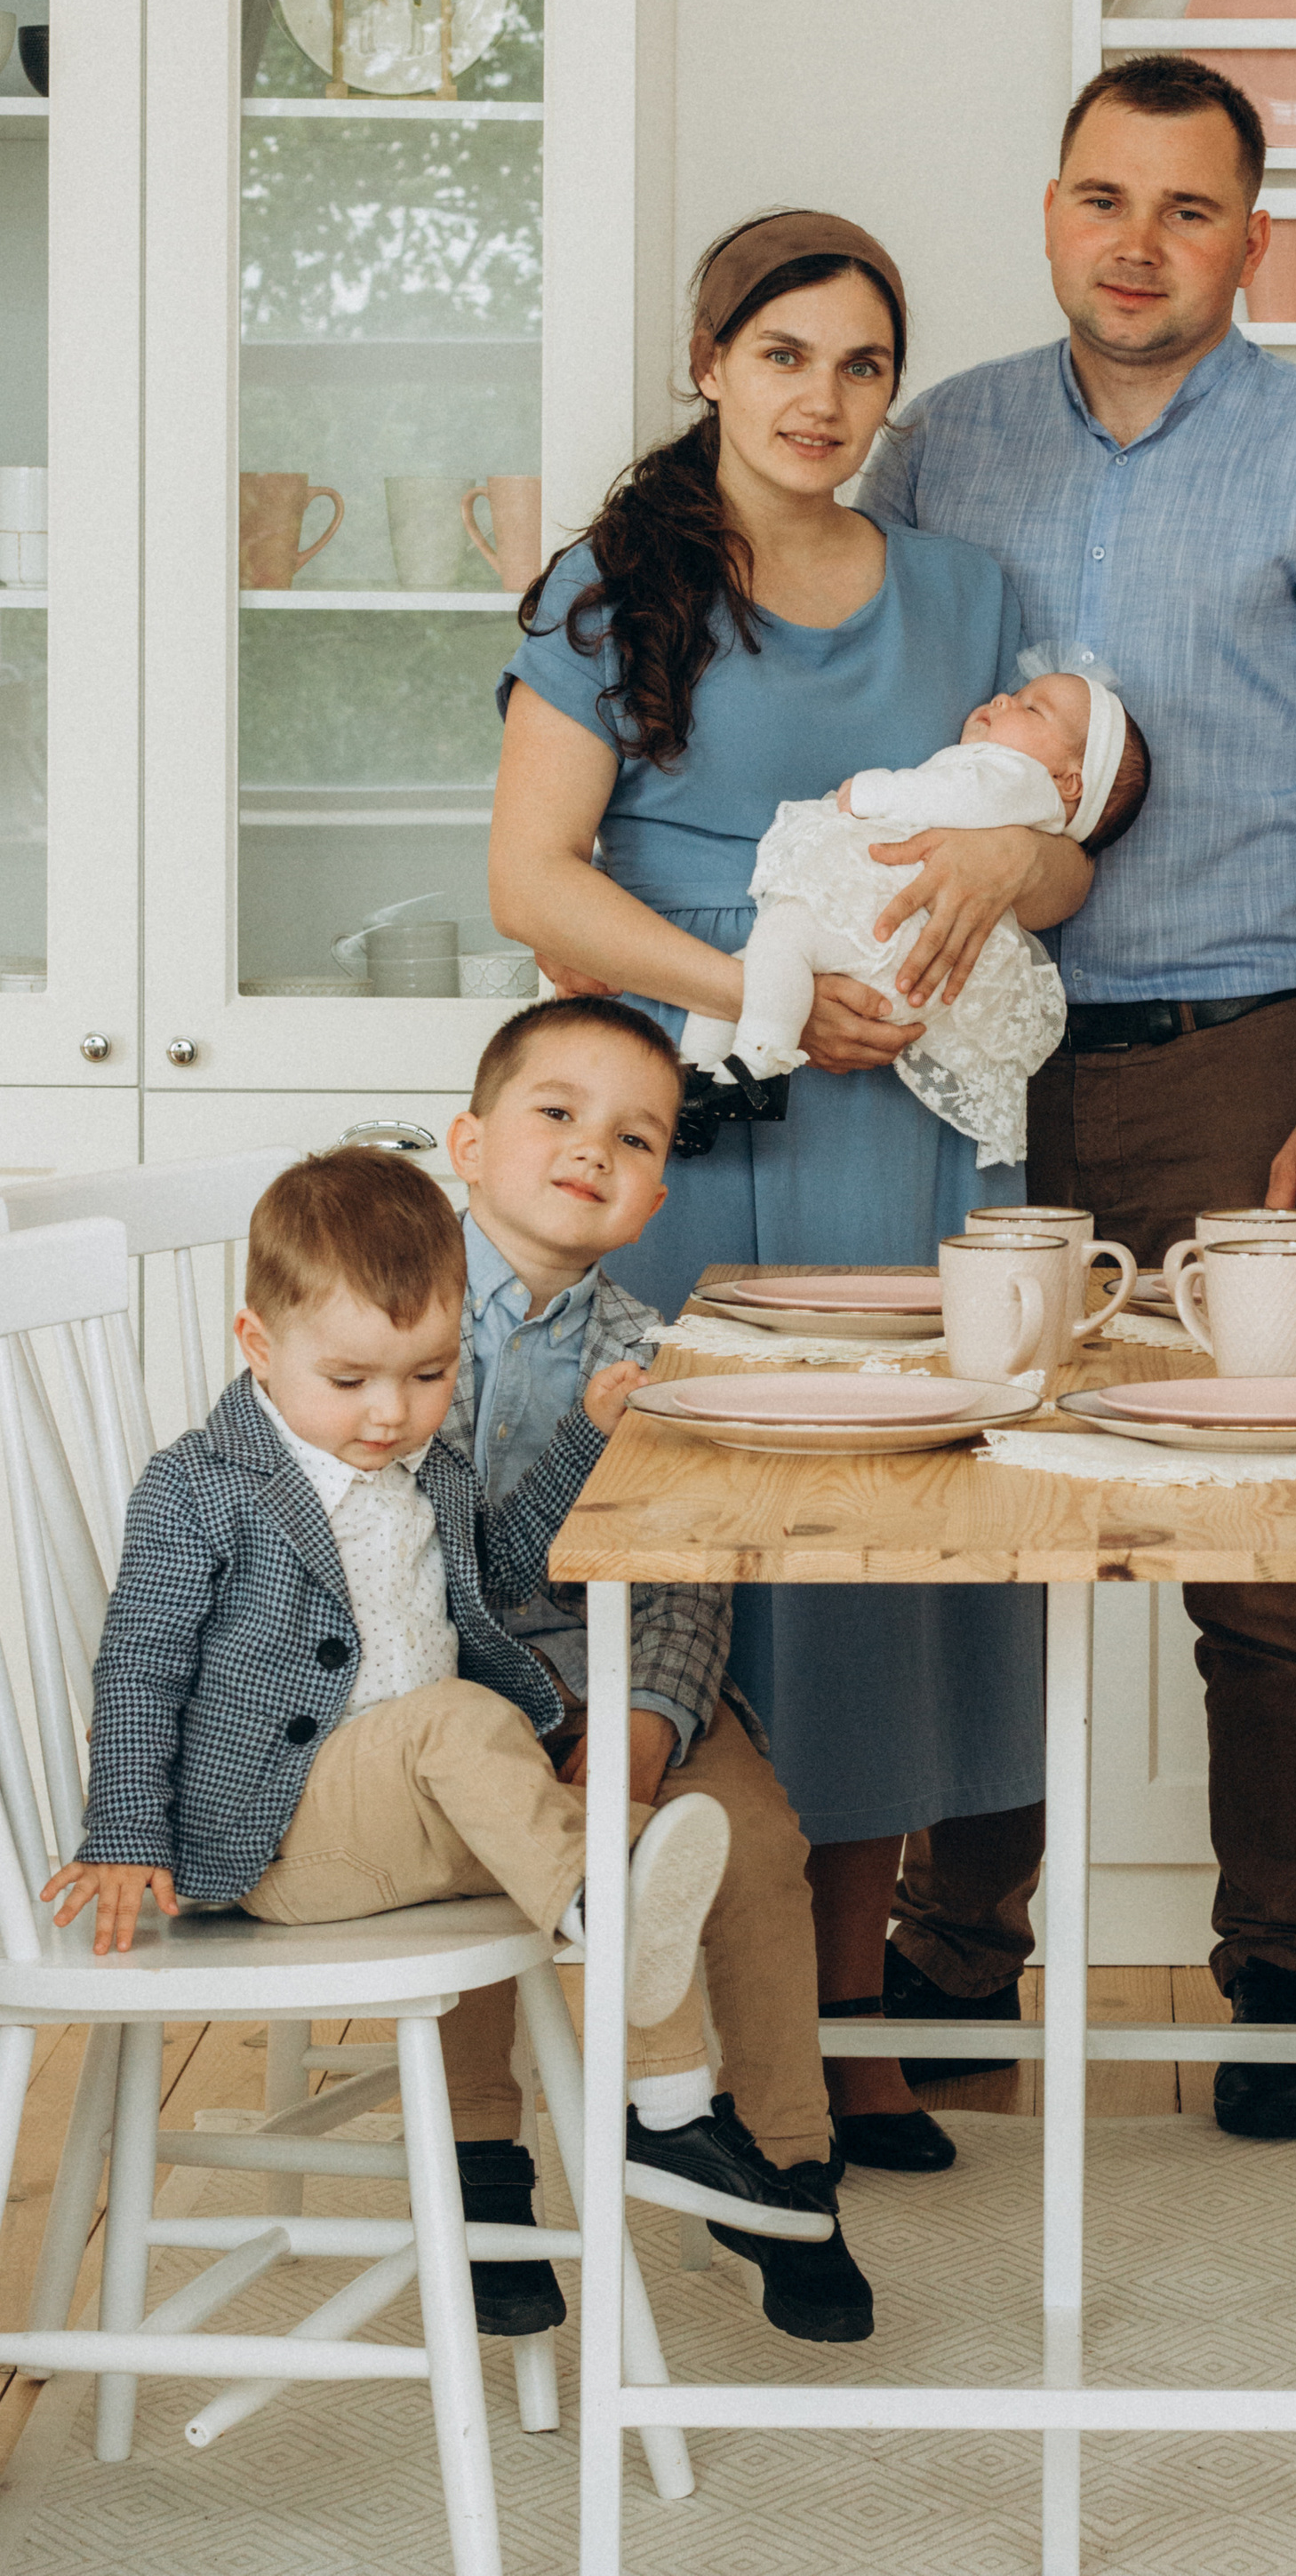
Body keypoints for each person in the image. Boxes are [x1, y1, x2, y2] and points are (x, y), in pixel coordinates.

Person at [862, 53, 1296, 2143]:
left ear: (1250, 238)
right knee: (976, 1529)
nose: (1138, 245)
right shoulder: (937, 447)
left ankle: (1283, 1972)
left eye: (1187, 209)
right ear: (1050, 210)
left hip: (1241, 1063)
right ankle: (953, 1954)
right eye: (1103, 199)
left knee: (1261, 1545)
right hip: (976, 1066)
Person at [488, 209, 1092, 2170]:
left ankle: (846, 2040)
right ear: (708, 362)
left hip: (903, 1135)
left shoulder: (963, 594)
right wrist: (750, 991)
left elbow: (1051, 846)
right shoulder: (613, 587)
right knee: (698, 1569)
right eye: (783, 356)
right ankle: (685, 2039)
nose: (822, 400)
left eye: (859, 366)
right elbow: (532, 878)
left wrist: (1012, 873)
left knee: (882, 1582)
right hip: (689, 1125)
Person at [50, 1150, 762, 2213]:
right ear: (259, 1345)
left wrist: (587, 1439)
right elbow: (140, 1667)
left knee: (636, 1843)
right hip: (288, 1835)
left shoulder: (430, 1472)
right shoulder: (199, 1485)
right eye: (350, 1382)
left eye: (428, 1376)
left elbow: (505, 1572)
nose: (390, 1412)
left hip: (422, 1811)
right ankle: (591, 1911)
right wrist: (124, 1831)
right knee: (460, 1723)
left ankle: (670, 2113)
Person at [440, 993, 873, 2346]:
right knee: (475, 1839)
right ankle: (480, 2161)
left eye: (633, 1138)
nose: (592, 1148)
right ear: (468, 1142)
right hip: (439, 1683)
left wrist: (637, 1726)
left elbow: (685, 1570)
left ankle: (783, 2162)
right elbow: (401, 1557)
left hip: (615, 1667)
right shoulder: (393, 1307)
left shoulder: (651, 1351)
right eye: (555, 1113)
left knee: (752, 1837)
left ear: (653, 1199)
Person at [681, 666, 1150, 1165]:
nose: (1003, 699)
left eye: (1031, 708)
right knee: (750, 969)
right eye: (1015, 693)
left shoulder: (1022, 779)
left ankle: (759, 1071)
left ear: (1068, 780)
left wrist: (874, 792)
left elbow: (958, 796)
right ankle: (695, 1083)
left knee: (781, 937)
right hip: (899, 932)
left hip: (907, 936)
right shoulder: (1005, 775)